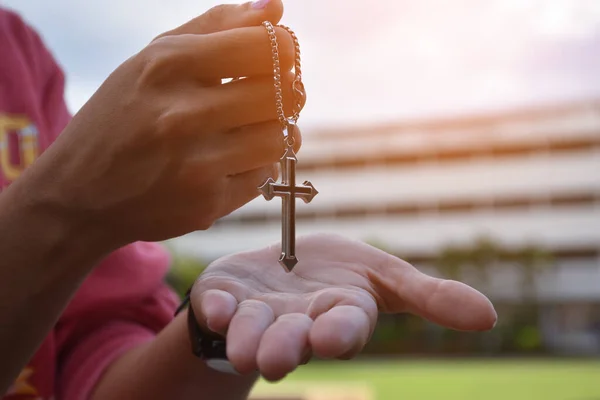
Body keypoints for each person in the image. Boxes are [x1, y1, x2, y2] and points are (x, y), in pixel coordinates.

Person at [0, 1, 497, 399]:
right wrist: (63, 207)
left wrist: (210, 333)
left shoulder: (16, 50)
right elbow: (68, 212)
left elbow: (89, 352)